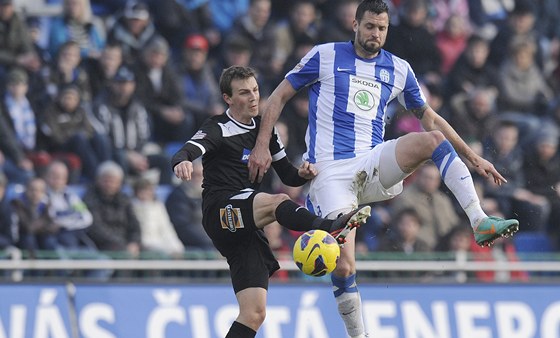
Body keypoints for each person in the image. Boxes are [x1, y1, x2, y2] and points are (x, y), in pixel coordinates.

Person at [248, 1, 519, 337]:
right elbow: (277, 98)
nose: (376, 34)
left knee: (432, 138)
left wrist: (471, 156)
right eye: (370, 26)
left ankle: (479, 221)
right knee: (344, 265)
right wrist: (261, 145)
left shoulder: (399, 69)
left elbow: (430, 116)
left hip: (373, 162)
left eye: (382, 28)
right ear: (355, 24)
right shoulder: (325, 55)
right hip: (330, 174)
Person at [171, 65, 371, 338]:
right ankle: (328, 226)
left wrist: (302, 174)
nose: (253, 97)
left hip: (247, 223)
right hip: (221, 209)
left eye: (255, 90)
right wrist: (182, 160)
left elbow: (287, 173)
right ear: (228, 98)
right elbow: (189, 149)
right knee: (276, 201)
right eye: (244, 93)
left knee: (254, 313)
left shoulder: (266, 130)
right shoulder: (218, 127)